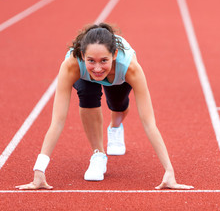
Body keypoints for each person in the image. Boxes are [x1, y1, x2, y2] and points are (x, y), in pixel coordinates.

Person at [15, 23, 194, 190]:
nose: (98, 68)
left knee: (118, 106)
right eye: (91, 60)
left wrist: (169, 171)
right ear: (83, 56)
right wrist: (39, 170)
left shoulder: (130, 67)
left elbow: (149, 123)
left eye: (103, 61)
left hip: (118, 77)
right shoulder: (71, 65)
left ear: (114, 55)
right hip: (84, 79)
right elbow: (58, 121)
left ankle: (115, 126)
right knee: (87, 95)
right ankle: (98, 154)